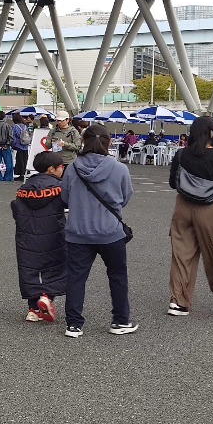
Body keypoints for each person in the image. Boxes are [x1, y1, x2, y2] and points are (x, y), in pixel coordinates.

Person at [61, 123, 136, 338]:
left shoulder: (72, 168)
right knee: (117, 276)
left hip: (78, 231)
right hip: (110, 231)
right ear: (108, 142)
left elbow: (65, 198)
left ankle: (74, 324)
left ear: (83, 141)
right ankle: (120, 320)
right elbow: (125, 197)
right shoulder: (119, 169)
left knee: (76, 278)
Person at [166, 116, 213, 316]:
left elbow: (173, 183)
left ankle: (179, 302)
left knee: (181, 255)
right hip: (210, 209)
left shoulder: (181, 154)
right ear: (212, 133)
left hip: (182, 207)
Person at [11, 150, 69, 322]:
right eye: (61, 166)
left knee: (29, 269)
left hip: (26, 235)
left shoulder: (24, 188)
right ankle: (47, 297)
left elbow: (16, 210)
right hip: (53, 234)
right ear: (51, 169)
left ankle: (33, 308)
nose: (62, 169)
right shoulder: (59, 187)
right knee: (57, 266)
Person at [12, 113, 31, 180]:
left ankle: (21, 174)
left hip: (18, 145)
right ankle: (25, 173)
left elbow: (13, 137)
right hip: (25, 146)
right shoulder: (25, 126)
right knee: (25, 160)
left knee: (19, 161)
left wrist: (13, 145)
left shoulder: (15, 127)